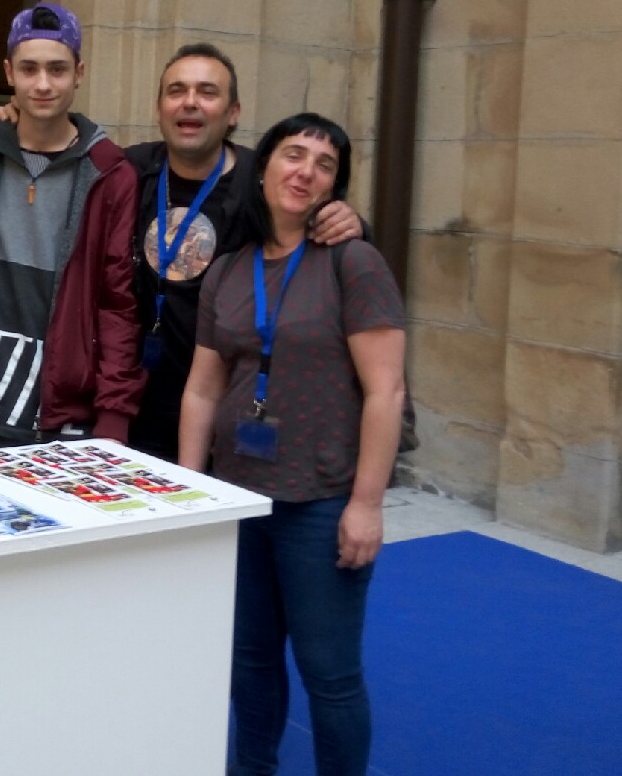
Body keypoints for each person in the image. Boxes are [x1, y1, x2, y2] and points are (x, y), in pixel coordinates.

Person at [0, 41, 365, 462]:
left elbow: (315, 223)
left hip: (227, 418)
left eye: (207, 92)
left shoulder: (261, 183)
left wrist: (350, 221)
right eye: (176, 91)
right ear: (159, 109)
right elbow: (56, 157)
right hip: (127, 410)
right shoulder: (125, 170)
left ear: (233, 113)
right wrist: (18, 120)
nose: (190, 102)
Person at [178, 112, 406, 776]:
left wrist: (366, 504)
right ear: (264, 167)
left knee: (328, 673)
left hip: (320, 500)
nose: (305, 171)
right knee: (249, 660)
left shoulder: (353, 262)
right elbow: (201, 390)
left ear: (335, 184)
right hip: (238, 497)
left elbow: (386, 391)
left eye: (324, 164)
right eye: (293, 154)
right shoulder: (228, 268)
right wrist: (190, 492)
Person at [0, 2, 144, 448]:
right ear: (8, 73)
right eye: (29, 69)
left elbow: (117, 302)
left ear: (79, 73)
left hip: (67, 405)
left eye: (57, 69)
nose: (42, 84)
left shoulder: (110, 174)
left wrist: (114, 412)